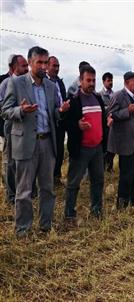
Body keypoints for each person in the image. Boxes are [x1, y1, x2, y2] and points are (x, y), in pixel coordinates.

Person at [2, 46, 70, 236]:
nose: (43, 66)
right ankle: (23, 229)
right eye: (39, 62)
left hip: (47, 142)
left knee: (47, 188)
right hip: (26, 143)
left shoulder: (50, 86)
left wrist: (61, 111)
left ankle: (45, 225)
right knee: (23, 191)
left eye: (45, 62)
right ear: (30, 63)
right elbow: (6, 111)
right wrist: (21, 111)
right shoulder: (16, 84)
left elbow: (52, 112)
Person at [62, 65, 106, 220]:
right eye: (88, 80)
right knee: (74, 183)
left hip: (97, 148)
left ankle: (96, 211)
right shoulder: (74, 101)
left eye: (94, 80)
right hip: (81, 149)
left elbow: (102, 121)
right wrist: (77, 126)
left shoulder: (98, 98)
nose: (92, 83)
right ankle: (69, 215)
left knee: (98, 181)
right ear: (80, 80)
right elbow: (65, 123)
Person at [107, 71, 134, 207]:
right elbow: (111, 114)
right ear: (127, 82)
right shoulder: (119, 95)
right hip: (127, 143)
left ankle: (133, 200)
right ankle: (122, 204)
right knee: (126, 175)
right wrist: (127, 110)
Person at [0, 55, 29, 204]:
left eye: (27, 66)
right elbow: (3, 109)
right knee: (11, 161)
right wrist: (20, 109)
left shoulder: (27, 83)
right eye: (23, 66)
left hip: (25, 127)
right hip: (11, 126)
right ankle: (11, 195)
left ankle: (25, 191)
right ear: (13, 68)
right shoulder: (7, 83)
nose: (26, 69)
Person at [46, 56, 67, 184]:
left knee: (59, 150)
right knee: (49, 152)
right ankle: (48, 179)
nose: (56, 68)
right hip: (50, 122)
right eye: (54, 66)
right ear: (47, 66)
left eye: (58, 66)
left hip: (61, 121)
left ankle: (56, 177)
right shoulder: (43, 82)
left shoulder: (59, 81)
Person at [99, 72, 115, 172]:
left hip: (113, 124)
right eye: (108, 81)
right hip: (104, 125)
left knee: (112, 147)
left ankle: (110, 167)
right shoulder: (100, 95)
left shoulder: (114, 94)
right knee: (105, 147)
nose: (110, 83)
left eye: (111, 80)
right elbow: (101, 110)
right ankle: (103, 167)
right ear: (104, 81)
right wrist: (109, 108)